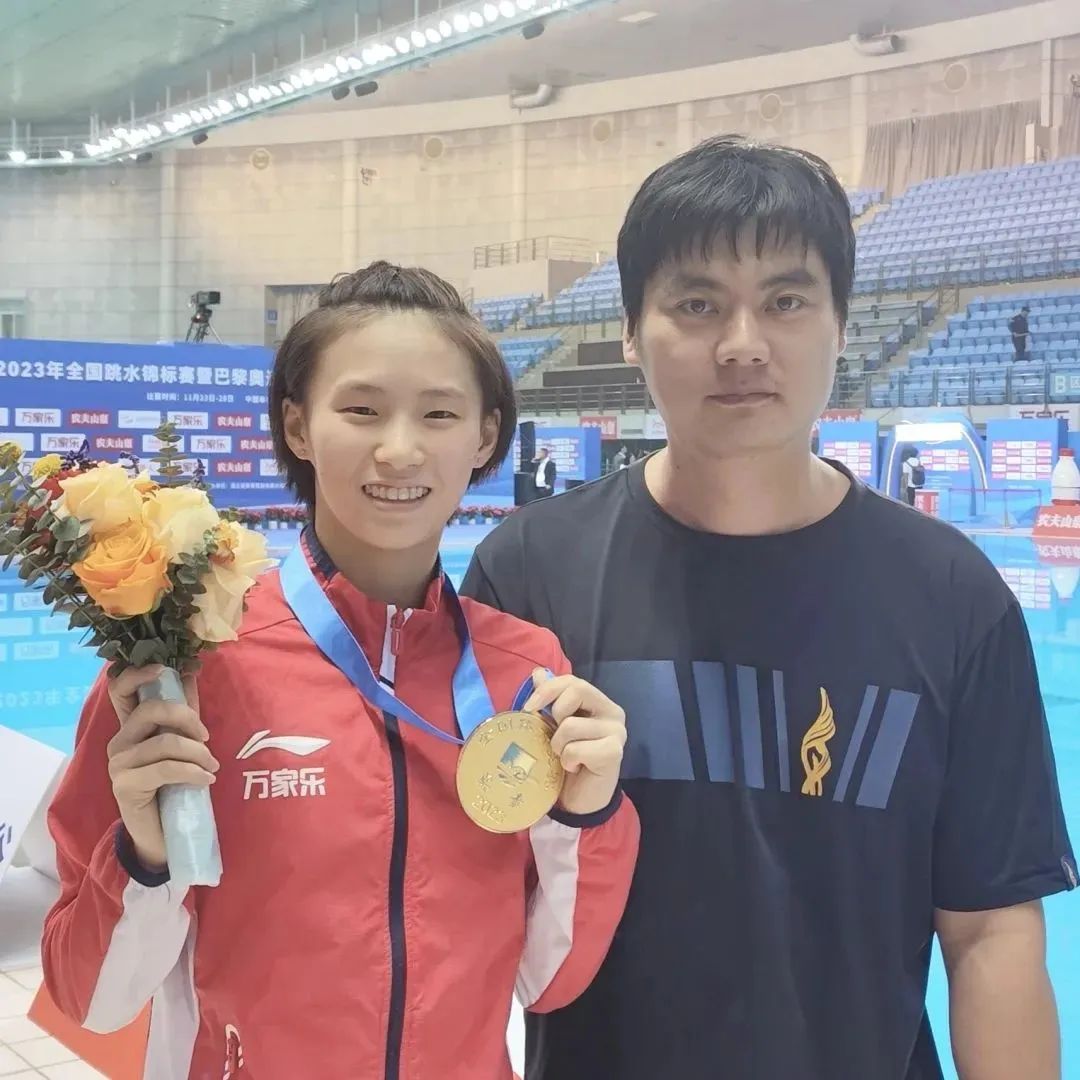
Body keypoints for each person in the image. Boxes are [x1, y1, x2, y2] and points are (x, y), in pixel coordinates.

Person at [462, 136, 1075, 1080]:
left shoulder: (954, 596)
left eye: (785, 301)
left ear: (840, 325)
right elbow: (464, 897)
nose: (742, 343)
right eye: (697, 304)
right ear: (630, 332)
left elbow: (990, 929)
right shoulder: (527, 574)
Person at [42, 262, 639, 1079]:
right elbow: (91, 1000)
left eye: (439, 413)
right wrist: (145, 856)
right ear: (297, 425)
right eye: (361, 410)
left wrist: (586, 815)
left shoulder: (528, 675)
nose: (400, 449)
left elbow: (549, 980)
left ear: (485, 436)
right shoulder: (189, 663)